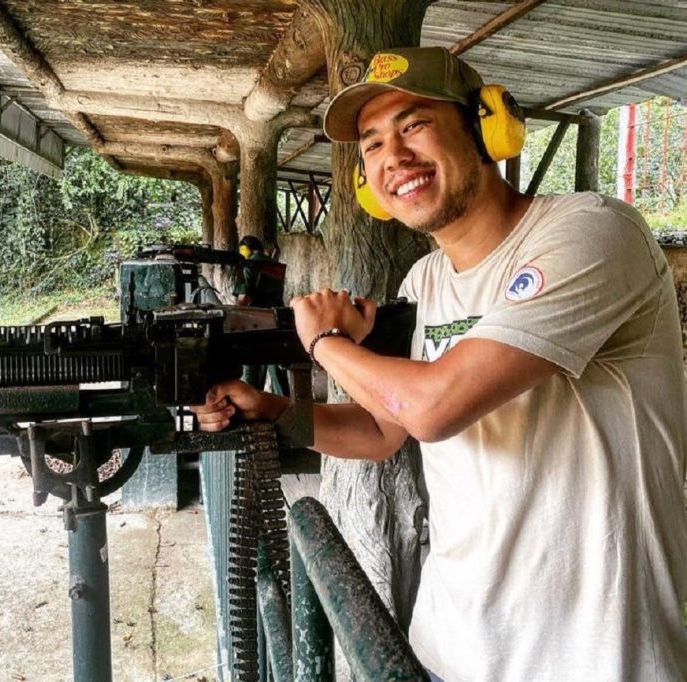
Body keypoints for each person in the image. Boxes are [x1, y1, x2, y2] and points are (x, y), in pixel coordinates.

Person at [193, 46, 687, 680]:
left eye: (415, 124)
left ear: (487, 129)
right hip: (452, 643)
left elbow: (431, 408)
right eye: (371, 145)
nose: (392, 156)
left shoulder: (591, 233)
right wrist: (274, 410)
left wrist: (324, 343)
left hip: (592, 654)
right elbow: (382, 430)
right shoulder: (425, 280)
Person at [233, 235, 289, 394]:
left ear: (245, 249)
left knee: (253, 369)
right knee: (277, 369)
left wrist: (236, 312)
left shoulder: (249, 264)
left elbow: (244, 298)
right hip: (277, 320)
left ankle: (254, 406)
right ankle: (286, 408)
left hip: (255, 323)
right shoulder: (276, 266)